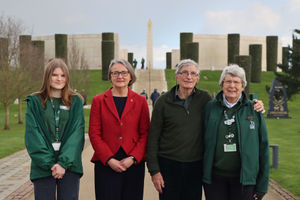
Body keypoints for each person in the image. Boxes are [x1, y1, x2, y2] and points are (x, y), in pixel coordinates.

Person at [146, 59, 265, 200]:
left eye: (193, 73)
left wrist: (256, 104)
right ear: (177, 76)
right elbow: (152, 138)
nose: (188, 77)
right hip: (169, 166)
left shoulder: (205, 99)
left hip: (195, 166)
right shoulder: (163, 102)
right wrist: (155, 171)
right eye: (184, 73)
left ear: (198, 78)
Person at [202, 64, 269, 200]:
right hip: (215, 179)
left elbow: (263, 147)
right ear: (222, 84)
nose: (232, 86)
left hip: (244, 180)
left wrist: (262, 185)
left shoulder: (254, 109)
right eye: (228, 81)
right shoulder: (210, 107)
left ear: (243, 86)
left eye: (236, 82)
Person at [89, 59, 150, 200]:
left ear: (130, 76)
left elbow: (145, 133)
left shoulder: (141, 101)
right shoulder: (98, 101)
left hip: (133, 164)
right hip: (106, 164)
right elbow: (94, 133)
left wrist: (133, 158)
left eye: (124, 72)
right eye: (115, 73)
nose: (120, 76)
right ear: (110, 76)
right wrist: (109, 159)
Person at [25, 58, 85, 200]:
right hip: (43, 166)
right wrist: (50, 164)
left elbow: (76, 134)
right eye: (55, 75)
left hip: (69, 165)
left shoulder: (75, 101)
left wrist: (63, 163)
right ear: (48, 77)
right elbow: (33, 134)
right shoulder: (34, 101)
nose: (59, 79)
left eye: (63, 75)